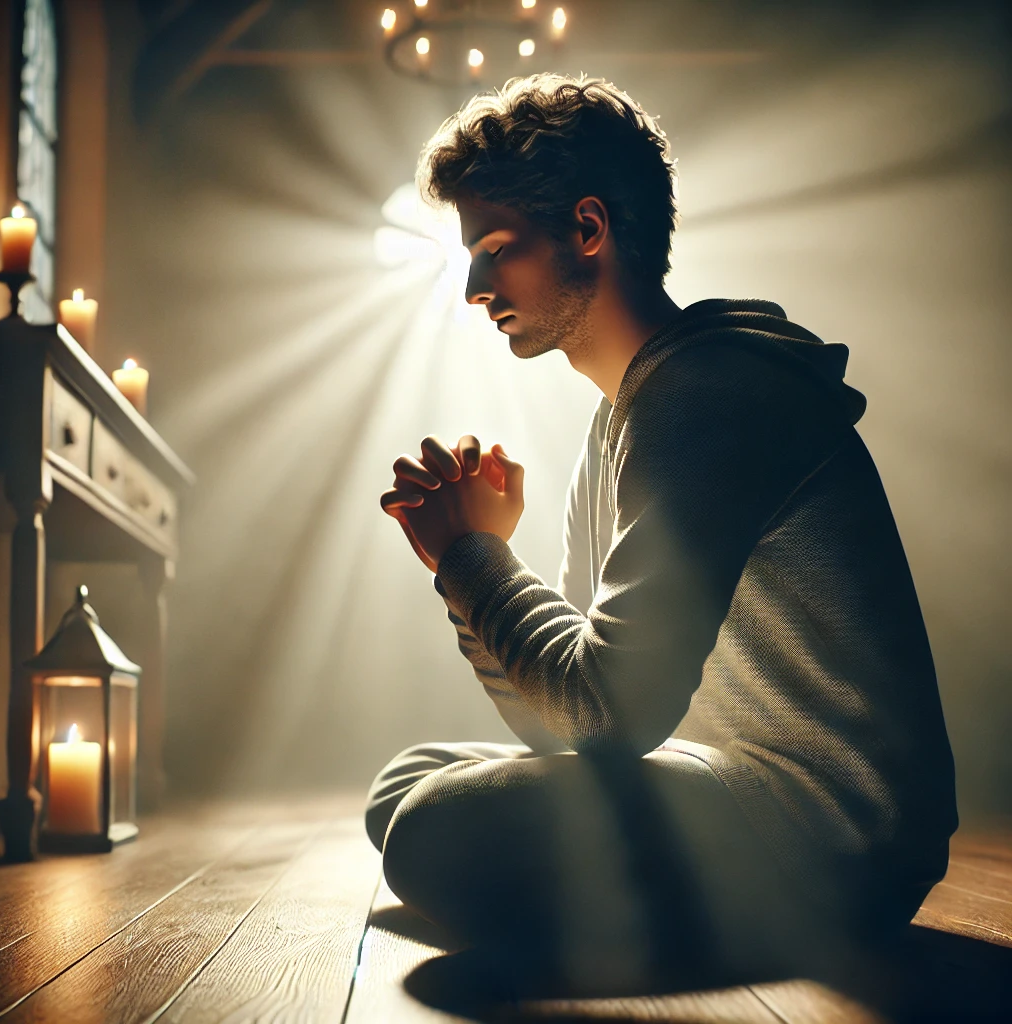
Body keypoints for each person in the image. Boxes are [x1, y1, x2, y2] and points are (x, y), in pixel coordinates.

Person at [369, 73, 958, 996]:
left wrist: (472, 557)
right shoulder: (619, 425)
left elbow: (608, 713)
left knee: (432, 827)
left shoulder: (707, 395)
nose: (477, 289)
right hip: (715, 783)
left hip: (835, 844)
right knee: (403, 786)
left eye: (494, 249)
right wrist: (469, 571)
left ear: (589, 230)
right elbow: (557, 723)